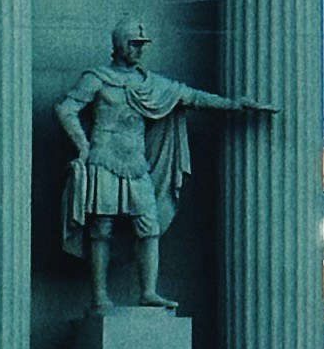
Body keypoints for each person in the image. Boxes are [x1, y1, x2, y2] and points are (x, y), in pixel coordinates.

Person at [54, 21, 266, 308]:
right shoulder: (98, 78)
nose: (139, 50)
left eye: (142, 44)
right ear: (119, 45)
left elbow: (192, 97)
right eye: (134, 43)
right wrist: (82, 144)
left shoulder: (151, 84)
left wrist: (234, 104)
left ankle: (148, 291)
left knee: (148, 225)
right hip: (102, 159)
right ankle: (100, 295)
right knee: (101, 228)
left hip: (136, 163)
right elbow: (66, 108)